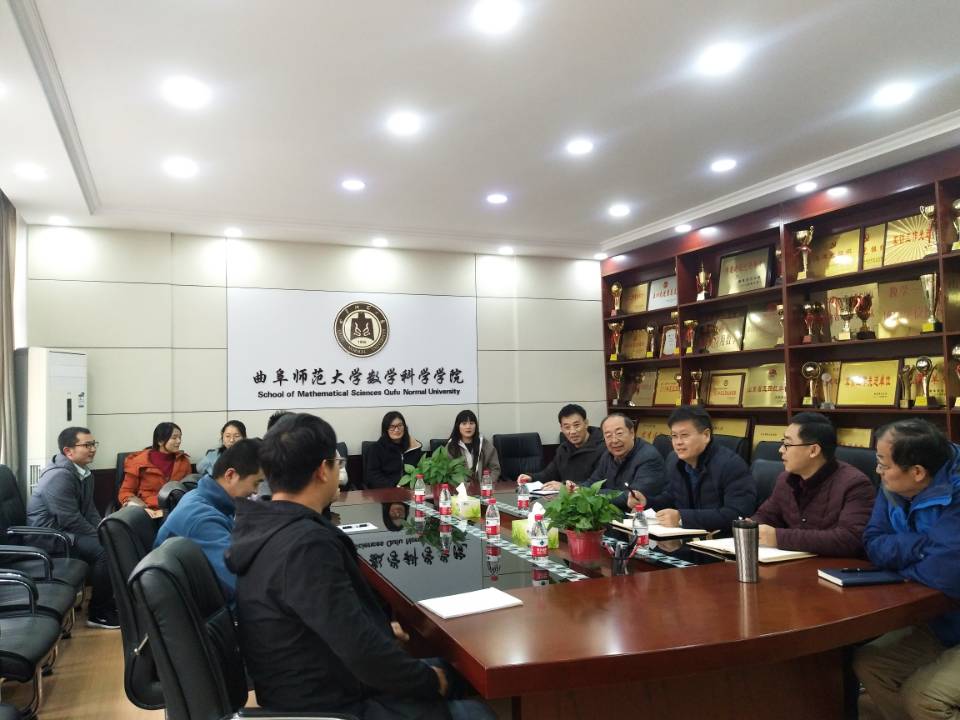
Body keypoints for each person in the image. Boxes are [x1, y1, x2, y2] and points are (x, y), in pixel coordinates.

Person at [226, 413, 494, 720]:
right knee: (471, 706)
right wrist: (432, 682)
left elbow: (333, 622)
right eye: (337, 462)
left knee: (454, 671)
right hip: (331, 705)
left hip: (307, 684)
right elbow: (361, 653)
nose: (339, 468)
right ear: (322, 471)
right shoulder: (306, 545)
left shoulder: (267, 526)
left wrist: (379, 630)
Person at [853, 419, 960, 720]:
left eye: (883, 464)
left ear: (917, 472)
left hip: (949, 614)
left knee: (923, 697)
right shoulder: (893, 485)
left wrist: (905, 559)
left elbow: (946, 574)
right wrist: (923, 546)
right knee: (869, 663)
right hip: (941, 620)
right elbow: (872, 542)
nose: (878, 471)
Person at [27, 426, 118, 629]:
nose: (93, 449)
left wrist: (103, 530)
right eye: (87, 445)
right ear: (68, 451)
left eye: (94, 444)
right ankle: (98, 613)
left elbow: (89, 510)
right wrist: (98, 537)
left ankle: (107, 602)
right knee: (104, 552)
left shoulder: (84, 472)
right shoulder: (59, 476)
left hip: (67, 531)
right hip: (49, 536)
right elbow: (70, 519)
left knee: (112, 542)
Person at [154, 438, 263, 603]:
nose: (256, 492)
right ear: (231, 475)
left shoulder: (204, 499)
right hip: (199, 611)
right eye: (256, 483)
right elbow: (241, 587)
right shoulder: (202, 520)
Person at [752, 412, 874, 556]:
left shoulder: (855, 485)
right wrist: (750, 526)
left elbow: (851, 539)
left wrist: (778, 537)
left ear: (813, 450)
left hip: (832, 566)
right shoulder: (785, 479)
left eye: (787, 444)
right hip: (791, 563)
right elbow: (766, 515)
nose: (781, 449)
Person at [630, 405, 755, 532]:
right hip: (685, 537)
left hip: (718, 539)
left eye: (684, 435)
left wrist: (681, 517)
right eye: (674, 436)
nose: (678, 442)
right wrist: (647, 502)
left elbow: (737, 514)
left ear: (706, 435)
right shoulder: (674, 460)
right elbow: (671, 498)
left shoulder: (731, 465)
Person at [584, 413, 666, 510]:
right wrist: (575, 489)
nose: (614, 440)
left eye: (619, 433)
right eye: (608, 435)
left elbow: (632, 497)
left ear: (632, 433)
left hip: (639, 516)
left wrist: (591, 493)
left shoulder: (648, 457)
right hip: (612, 512)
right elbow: (593, 482)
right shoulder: (608, 454)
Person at [517, 404, 603, 491]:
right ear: (561, 428)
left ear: (586, 423)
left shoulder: (603, 448)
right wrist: (531, 478)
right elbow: (549, 474)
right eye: (567, 427)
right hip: (565, 497)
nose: (572, 431)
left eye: (576, 425)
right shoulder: (563, 449)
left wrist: (565, 487)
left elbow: (596, 483)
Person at [119, 422, 191, 516]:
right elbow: (125, 492)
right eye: (174, 438)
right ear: (160, 441)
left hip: (175, 511)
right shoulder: (138, 462)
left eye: (180, 437)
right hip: (146, 511)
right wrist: (137, 504)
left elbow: (189, 490)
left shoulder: (183, 462)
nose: (179, 441)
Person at [364, 411, 424, 489]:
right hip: (387, 491)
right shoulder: (376, 449)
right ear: (386, 429)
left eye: (400, 425)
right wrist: (394, 486)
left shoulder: (414, 447)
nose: (396, 430)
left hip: (411, 490)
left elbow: (421, 470)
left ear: (404, 427)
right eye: (392, 427)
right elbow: (373, 476)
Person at [445, 409, 501, 484]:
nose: (468, 427)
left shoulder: (485, 444)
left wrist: (487, 483)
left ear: (476, 426)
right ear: (458, 426)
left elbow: (495, 468)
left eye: (471, 423)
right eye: (464, 424)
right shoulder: (451, 446)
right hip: (459, 488)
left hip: (483, 487)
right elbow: (447, 472)